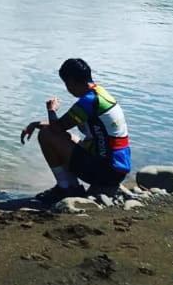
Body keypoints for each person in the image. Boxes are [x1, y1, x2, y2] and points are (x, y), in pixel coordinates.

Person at [20, 58, 131, 202]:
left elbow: (56, 128)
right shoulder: (100, 93)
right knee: (66, 136)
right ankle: (71, 186)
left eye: (66, 83)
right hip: (116, 169)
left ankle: (66, 188)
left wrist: (51, 110)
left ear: (71, 81)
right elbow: (62, 126)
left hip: (105, 171)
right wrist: (35, 124)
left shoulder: (88, 102)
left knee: (46, 135)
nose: (68, 88)